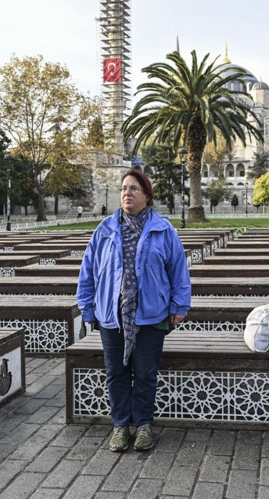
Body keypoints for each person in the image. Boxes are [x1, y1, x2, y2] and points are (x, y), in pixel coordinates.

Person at [76, 170, 191, 453]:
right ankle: (120, 426)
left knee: (145, 373)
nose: (127, 193)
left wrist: (179, 305)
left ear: (147, 196)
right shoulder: (104, 230)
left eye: (134, 189)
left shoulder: (164, 230)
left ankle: (142, 426)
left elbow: (178, 271)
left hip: (151, 314)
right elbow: (88, 272)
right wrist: (87, 306)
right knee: (116, 372)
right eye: (124, 188)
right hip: (112, 315)